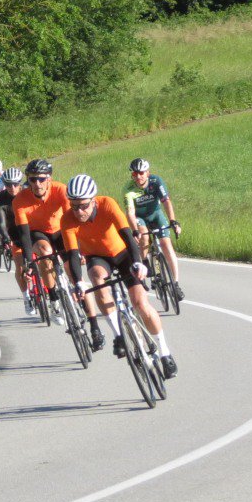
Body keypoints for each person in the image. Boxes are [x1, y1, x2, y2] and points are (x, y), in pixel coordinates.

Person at [61, 174, 176, 378]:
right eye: (74, 206)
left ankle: (165, 351)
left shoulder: (107, 204)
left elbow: (128, 235)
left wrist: (138, 263)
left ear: (93, 200)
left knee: (140, 304)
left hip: (123, 254)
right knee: (96, 276)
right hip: (97, 257)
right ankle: (118, 335)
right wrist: (78, 282)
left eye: (84, 206)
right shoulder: (67, 219)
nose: (79, 212)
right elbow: (72, 253)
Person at [12, 158, 71, 324]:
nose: (37, 183)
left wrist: (78, 249)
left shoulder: (61, 189)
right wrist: (29, 262)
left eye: (41, 179)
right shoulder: (20, 200)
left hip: (60, 230)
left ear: (49, 179)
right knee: (45, 253)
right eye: (32, 179)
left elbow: (71, 220)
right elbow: (24, 234)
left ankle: (78, 298)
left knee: (71, 264)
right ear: (28, 180)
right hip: (37, 233)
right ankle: (53, 299)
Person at [123, 158, 183, 300]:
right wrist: (135, 230)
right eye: (135, 174)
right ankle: (145, 262)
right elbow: (130, 213)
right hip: (139, 217)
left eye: (141, 173)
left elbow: (166, 201)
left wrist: (173, 221)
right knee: (144, 236)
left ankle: (176, 284)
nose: (138, 176)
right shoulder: (128, 189)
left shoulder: (156, 181)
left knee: (166, 244)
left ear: (148, 173)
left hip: (156, 214)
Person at [0, 168, 32, 314]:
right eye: (8, 184)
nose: (12, 187)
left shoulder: (29, 193)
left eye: (15, 184)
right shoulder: (0, 200)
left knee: (46, 258)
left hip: (31, 230)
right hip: (14, 233)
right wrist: (6, 238)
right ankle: (26, 297)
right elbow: (0, 225)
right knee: (19, 267)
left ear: (20, 183)